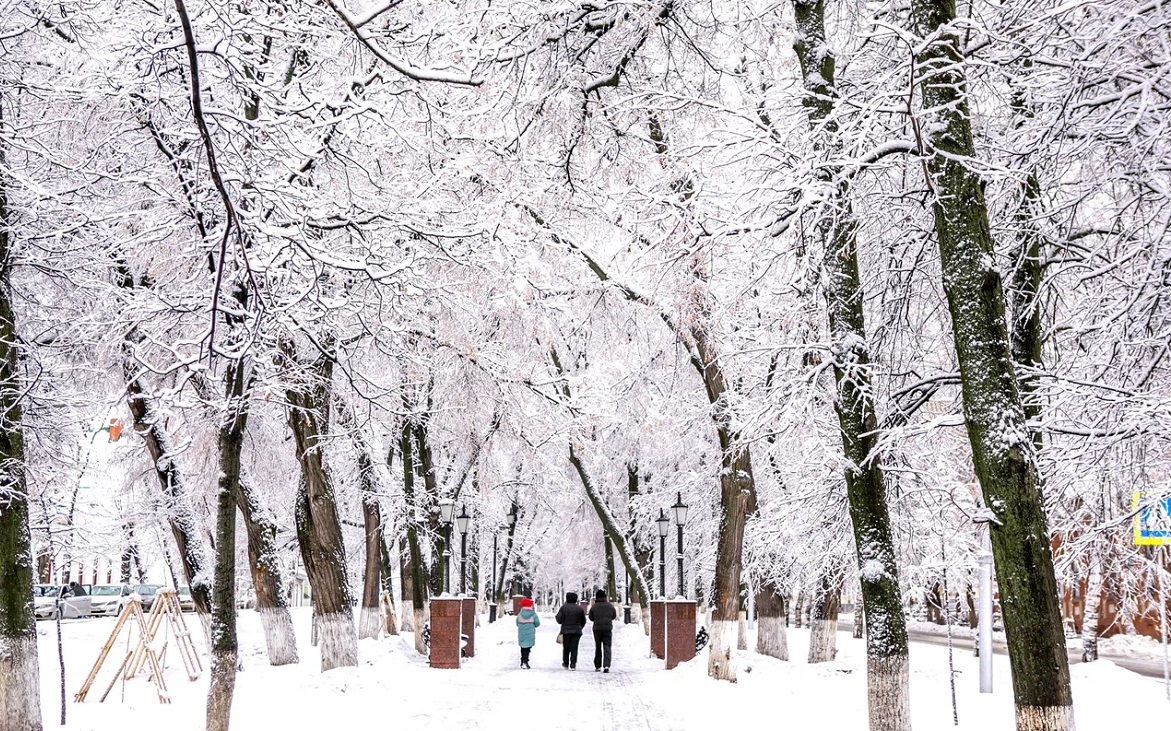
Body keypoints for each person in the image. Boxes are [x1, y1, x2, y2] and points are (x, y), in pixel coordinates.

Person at [555, 592, 586, 670]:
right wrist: (580, 627)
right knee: (574, 648)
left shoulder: (563, 607)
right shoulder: (579, 608)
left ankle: (565, 663)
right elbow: (583, 620)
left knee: (566, 647)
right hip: (577, 631)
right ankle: (573, 664)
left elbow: (558, 619)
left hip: (566, 631)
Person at [588, 589, 617, 673]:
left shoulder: (594, 606)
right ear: (605, 597)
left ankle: (597, 665)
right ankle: (606, 665)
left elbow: (591, 618)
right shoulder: (610, 606)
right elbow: (614, 616)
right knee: (607, 646)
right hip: (607, 629)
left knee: (598, 647)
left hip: (597, 629)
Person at [515, 597, 540, 669]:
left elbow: (517, 623)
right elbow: (537, 623)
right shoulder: (533, 614)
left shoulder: (520, 614)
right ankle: (525, 661)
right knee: (528, 648)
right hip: (530, 634)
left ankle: (523, 660)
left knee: (523, 648)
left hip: (522, 634)